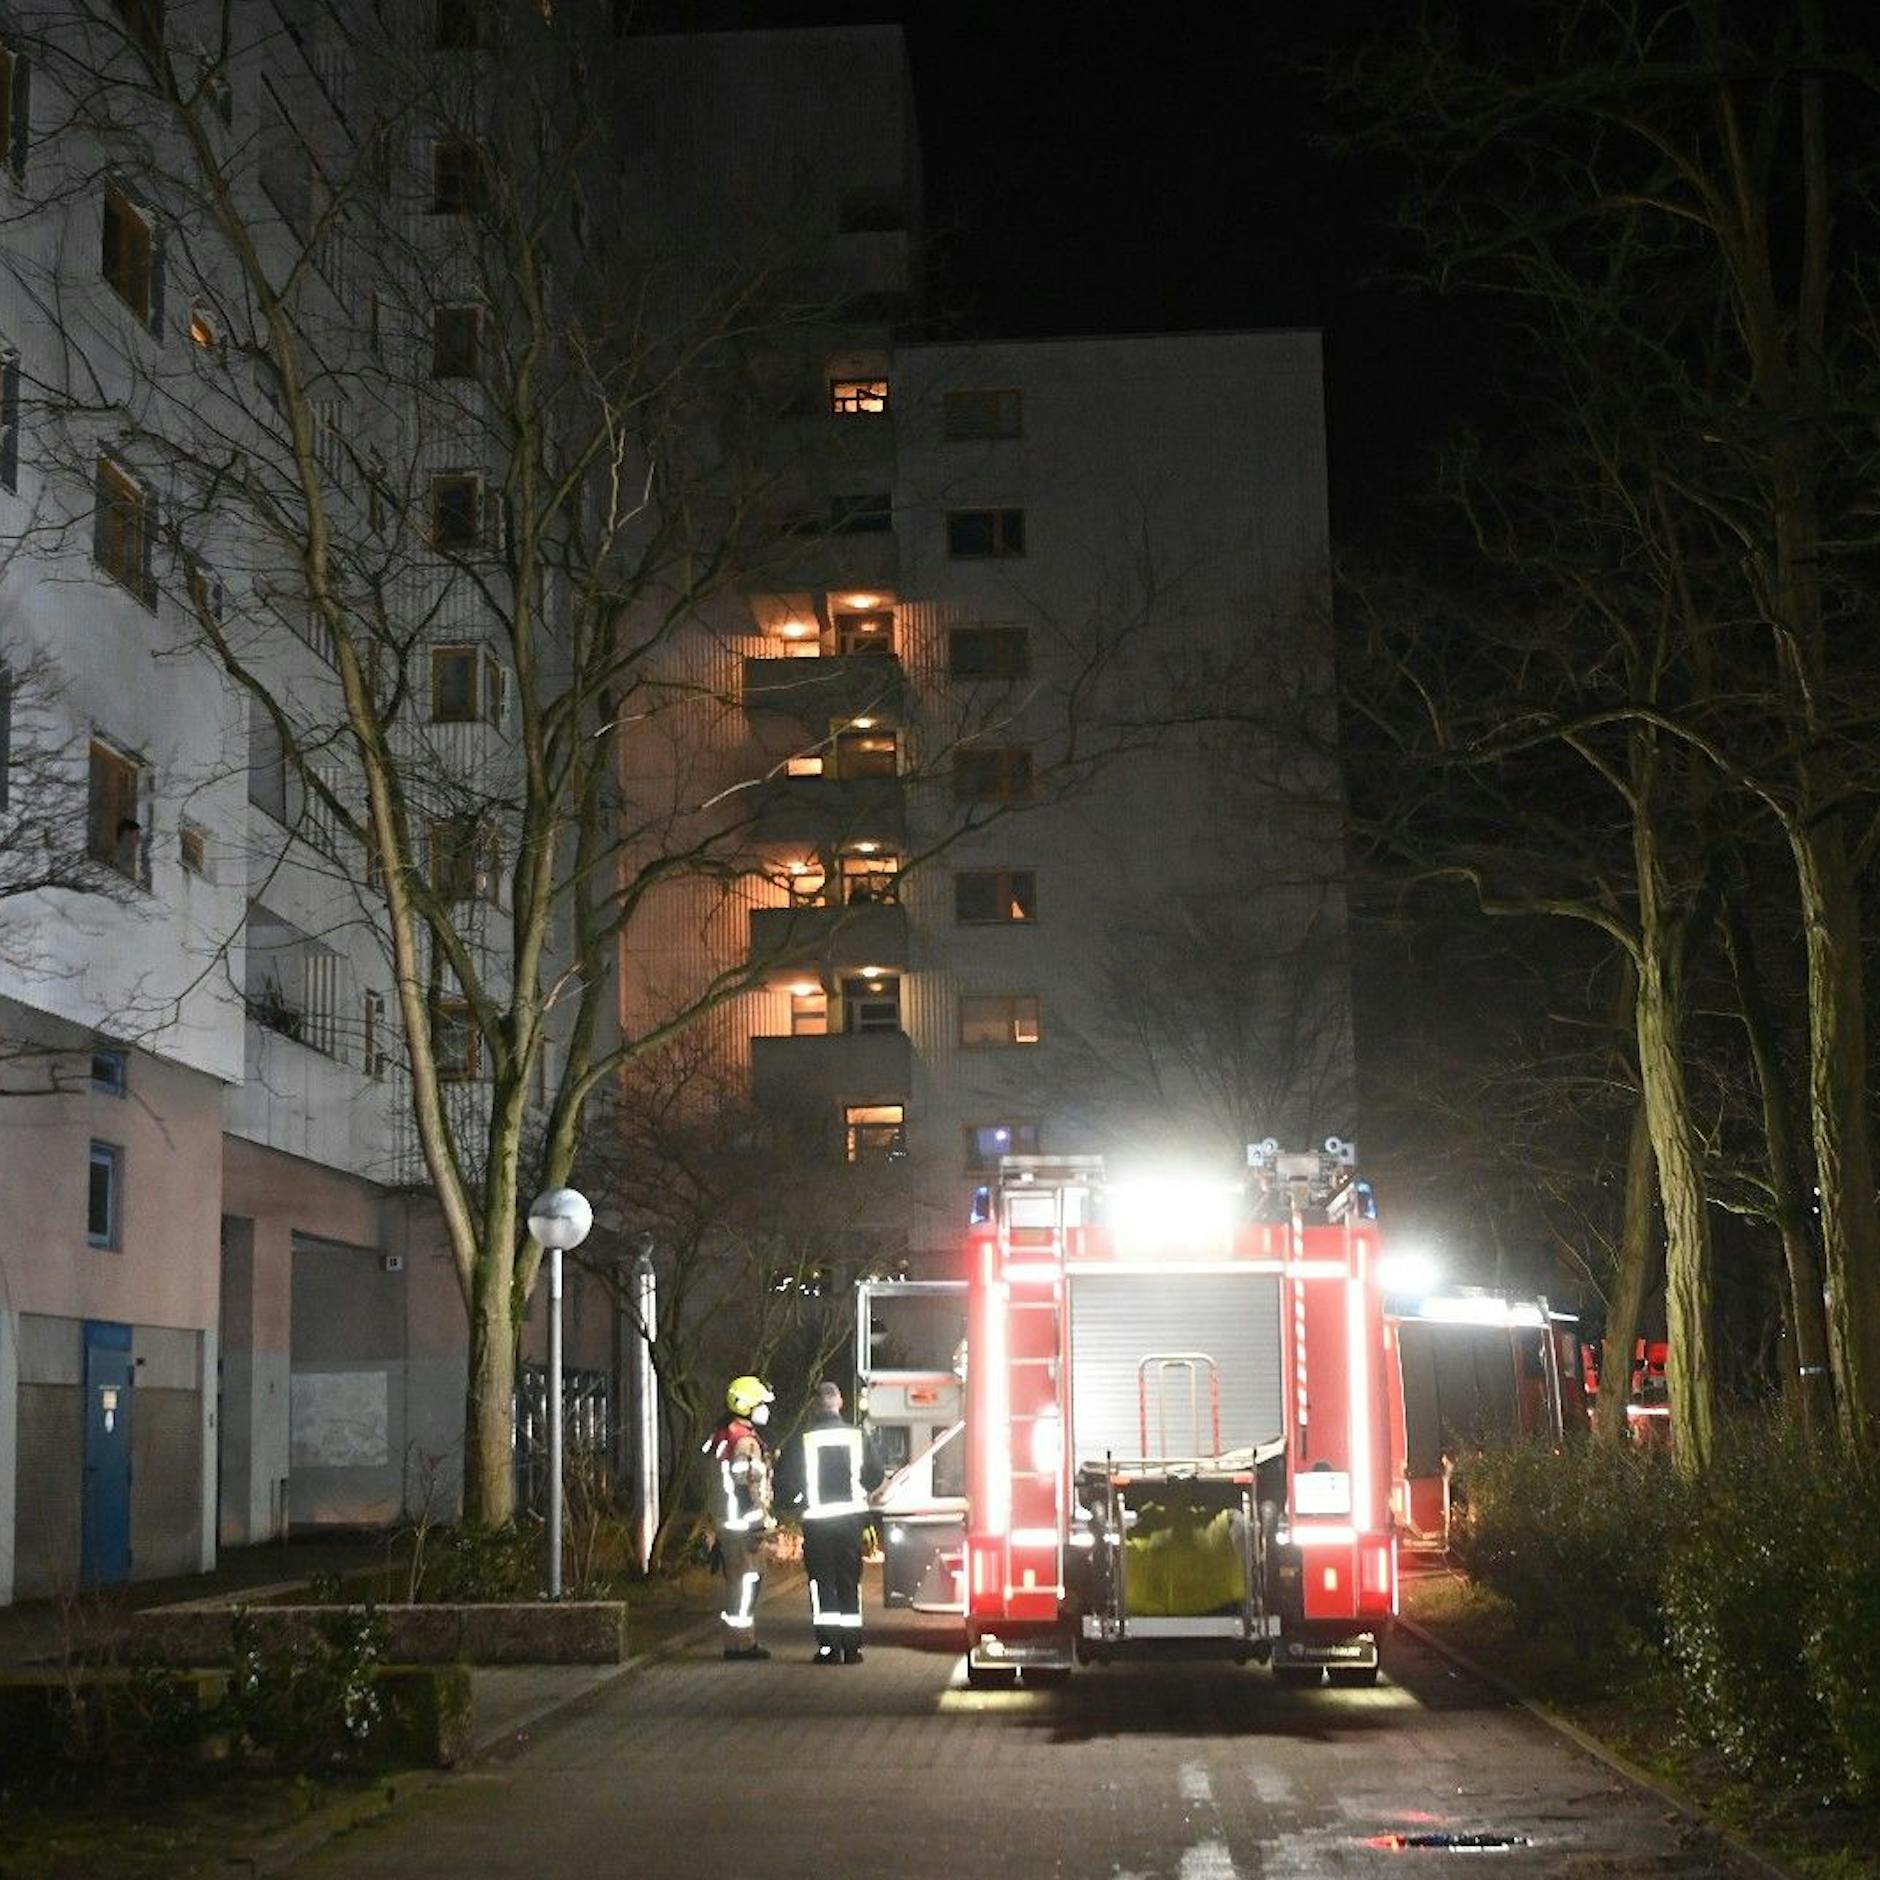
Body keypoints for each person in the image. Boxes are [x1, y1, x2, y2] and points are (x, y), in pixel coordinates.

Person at [781, 1380, 884, 1664]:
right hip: (850, 1521)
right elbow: (875, 1474)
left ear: (816, 1406)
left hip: (817, 1523)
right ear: (839, 1403)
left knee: (822, 1583)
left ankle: (829, 1647)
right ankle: (853, 1649)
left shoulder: (804, 1439)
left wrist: (798, 1500)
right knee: (849, 1582)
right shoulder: (857, 1436)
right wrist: (860, 1492)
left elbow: (786, 1482)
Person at [704, 1374, 775, 1661]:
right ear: (746, 1405)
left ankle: (737, 1641)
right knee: (746, 1584)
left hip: (727, 1522)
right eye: (760, 1403)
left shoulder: (722, 1435)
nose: (764, 1409)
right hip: (743, 1527)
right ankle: (741, 1643)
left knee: (737, 1583)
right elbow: (745, 1486)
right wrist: (757, 1522)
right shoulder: (745, 1442)